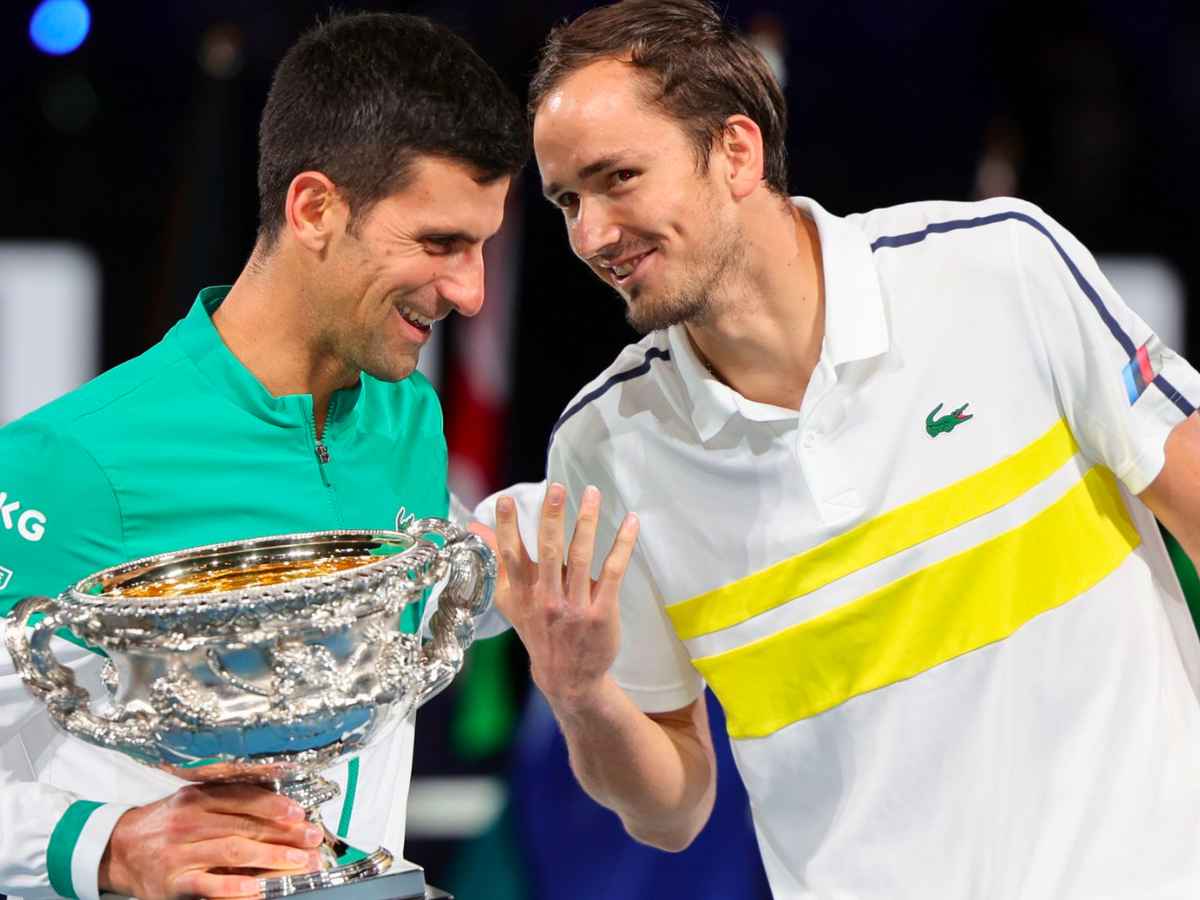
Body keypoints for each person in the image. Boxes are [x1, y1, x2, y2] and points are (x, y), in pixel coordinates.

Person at [492, 0, 1200, 897]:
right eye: (567, 200)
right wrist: (583, 696)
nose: (590, 235)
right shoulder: (605, 447)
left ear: (737, 152)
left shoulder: (1001, 268)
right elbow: (671, 813)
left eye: (619, 178)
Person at [0, 12, 527, 900]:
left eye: (482, 247)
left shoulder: (409, 421)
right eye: (439, 244)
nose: (470, 293)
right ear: (314, 207)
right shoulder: (69, 461)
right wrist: (109, 847)